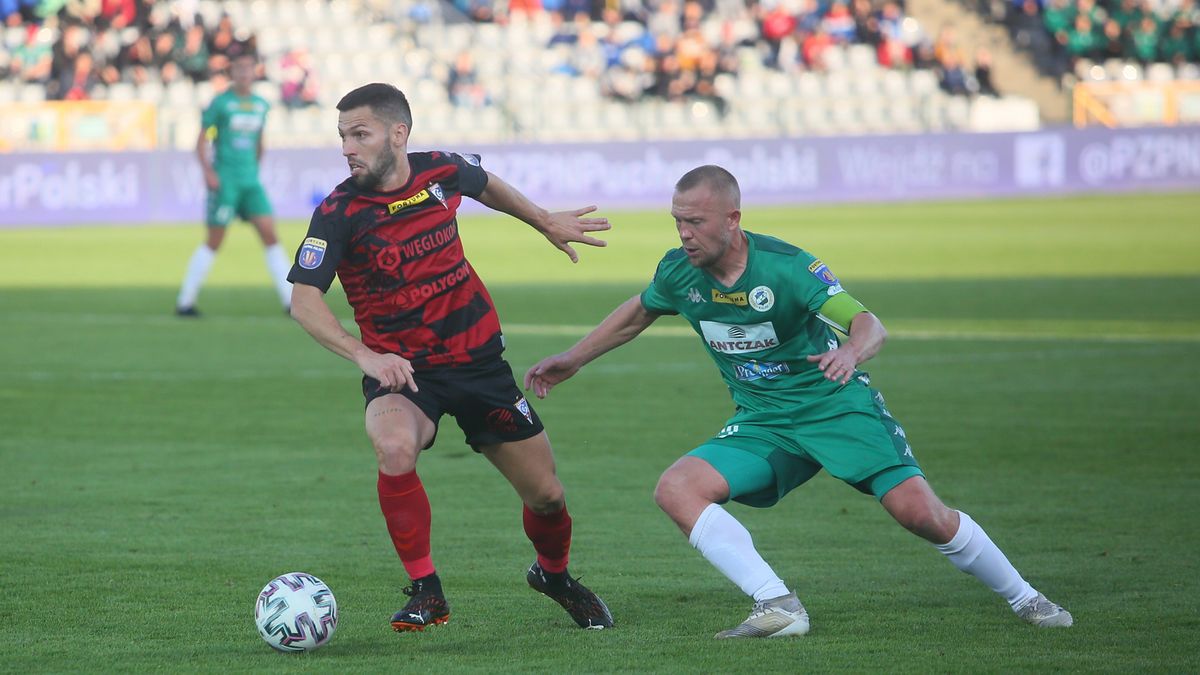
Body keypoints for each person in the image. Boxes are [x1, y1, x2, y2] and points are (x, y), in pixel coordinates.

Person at [524, 165, 1074, 638]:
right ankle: (779, 605)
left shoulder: (787, 268)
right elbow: (641, 310)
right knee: (678, 488)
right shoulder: (679, 270)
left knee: (920, 513)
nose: (685, 233)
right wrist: (574, 358)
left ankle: (1026, 597)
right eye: (677, 221)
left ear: (733, 220)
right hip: (765, 422)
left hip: (833, 406)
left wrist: (854, 351)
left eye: (695, 221)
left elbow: (867, 321)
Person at [286, 82, 614, 632]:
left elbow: (487, 185)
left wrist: (543, 220)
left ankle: (553, 576)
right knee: (394, 447)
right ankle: (427, 589)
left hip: (480, 365)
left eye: (359, 134)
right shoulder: (338, 212)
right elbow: (303, 300)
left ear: (399, 133)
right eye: (343, 136)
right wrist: (364, 356)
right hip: (405, 374)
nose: (347, 147)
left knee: (549, 497)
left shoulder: (440, 170)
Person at [176, 47, 292, 316]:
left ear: (255, 71)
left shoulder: (261, 105)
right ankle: (185, 302)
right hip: (225, 182)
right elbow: (202, 140)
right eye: (238, 68)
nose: (243, 73)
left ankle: (291, 301)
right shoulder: (221, 103)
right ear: (231, 71)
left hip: (250, 182)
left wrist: (255, 168)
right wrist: (208, 172)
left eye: (248, 67)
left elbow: (260, 143)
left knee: (270, 235)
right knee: (215, 240)